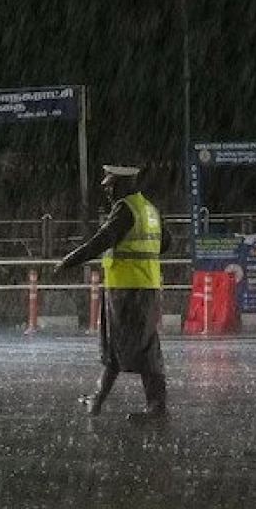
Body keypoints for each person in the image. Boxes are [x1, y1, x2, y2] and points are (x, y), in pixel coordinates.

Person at [54, 164, 172, 420]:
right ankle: (102, 399)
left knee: (128, 346)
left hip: (127, 289)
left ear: (122, 185)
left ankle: (155, 407)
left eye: (110, 185)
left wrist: (68, 261)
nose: (107, 191)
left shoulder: (125, 210)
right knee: (134, 344)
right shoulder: (150, 209)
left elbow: (100, 241)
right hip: (147, 286)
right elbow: (167, 243)